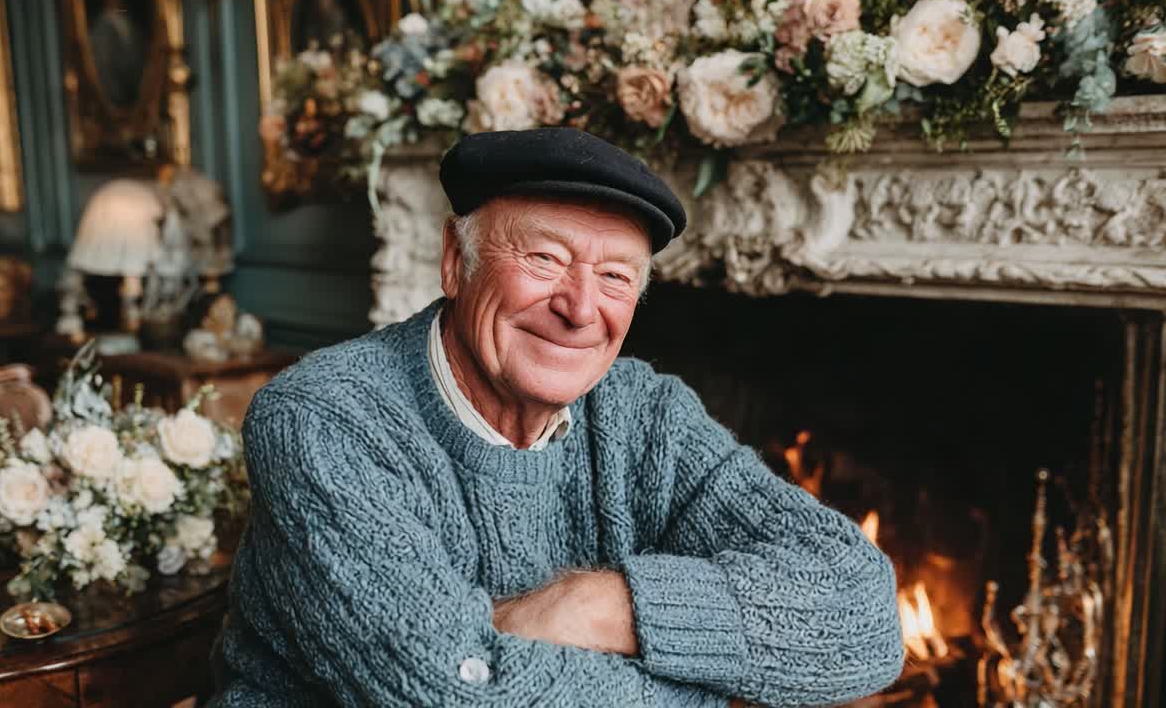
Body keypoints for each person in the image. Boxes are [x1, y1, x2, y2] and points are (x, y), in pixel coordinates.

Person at [210, 128, 904, 707]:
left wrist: (596, 607)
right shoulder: (323, 419)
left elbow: (865, 617)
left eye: (615, 278)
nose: (579, 307)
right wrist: (707, 687)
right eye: (544, 258)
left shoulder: (642, 413)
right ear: (456, 261)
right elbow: (451, 694)